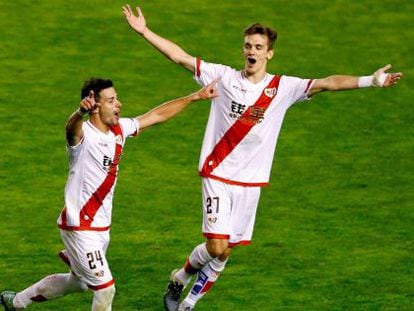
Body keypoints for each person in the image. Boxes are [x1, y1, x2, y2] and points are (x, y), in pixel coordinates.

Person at [122, 5, 403, 311]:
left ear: (270, 53)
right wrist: (144, 31)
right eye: (247, 46)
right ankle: (180, 285)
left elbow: (327, 83)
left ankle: (186, 297)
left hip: (251, 182)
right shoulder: (223, 77)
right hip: (217, 174)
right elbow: (180, 57)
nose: (251, 52)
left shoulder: (284, 88)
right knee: (216, 245)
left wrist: (369, 81)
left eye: (258, 47)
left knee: (226, 251)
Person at [0, 78, 218, 311]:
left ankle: (16, 302)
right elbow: (71, 130)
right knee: (106, 289)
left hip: (101, 228)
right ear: (94, 105)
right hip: (79, 227)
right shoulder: (83, 136)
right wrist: (79, 113)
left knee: (79, 283)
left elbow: (156, 116)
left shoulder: (119, 130)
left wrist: (196, 97)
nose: (119, 104)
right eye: (111, 100)